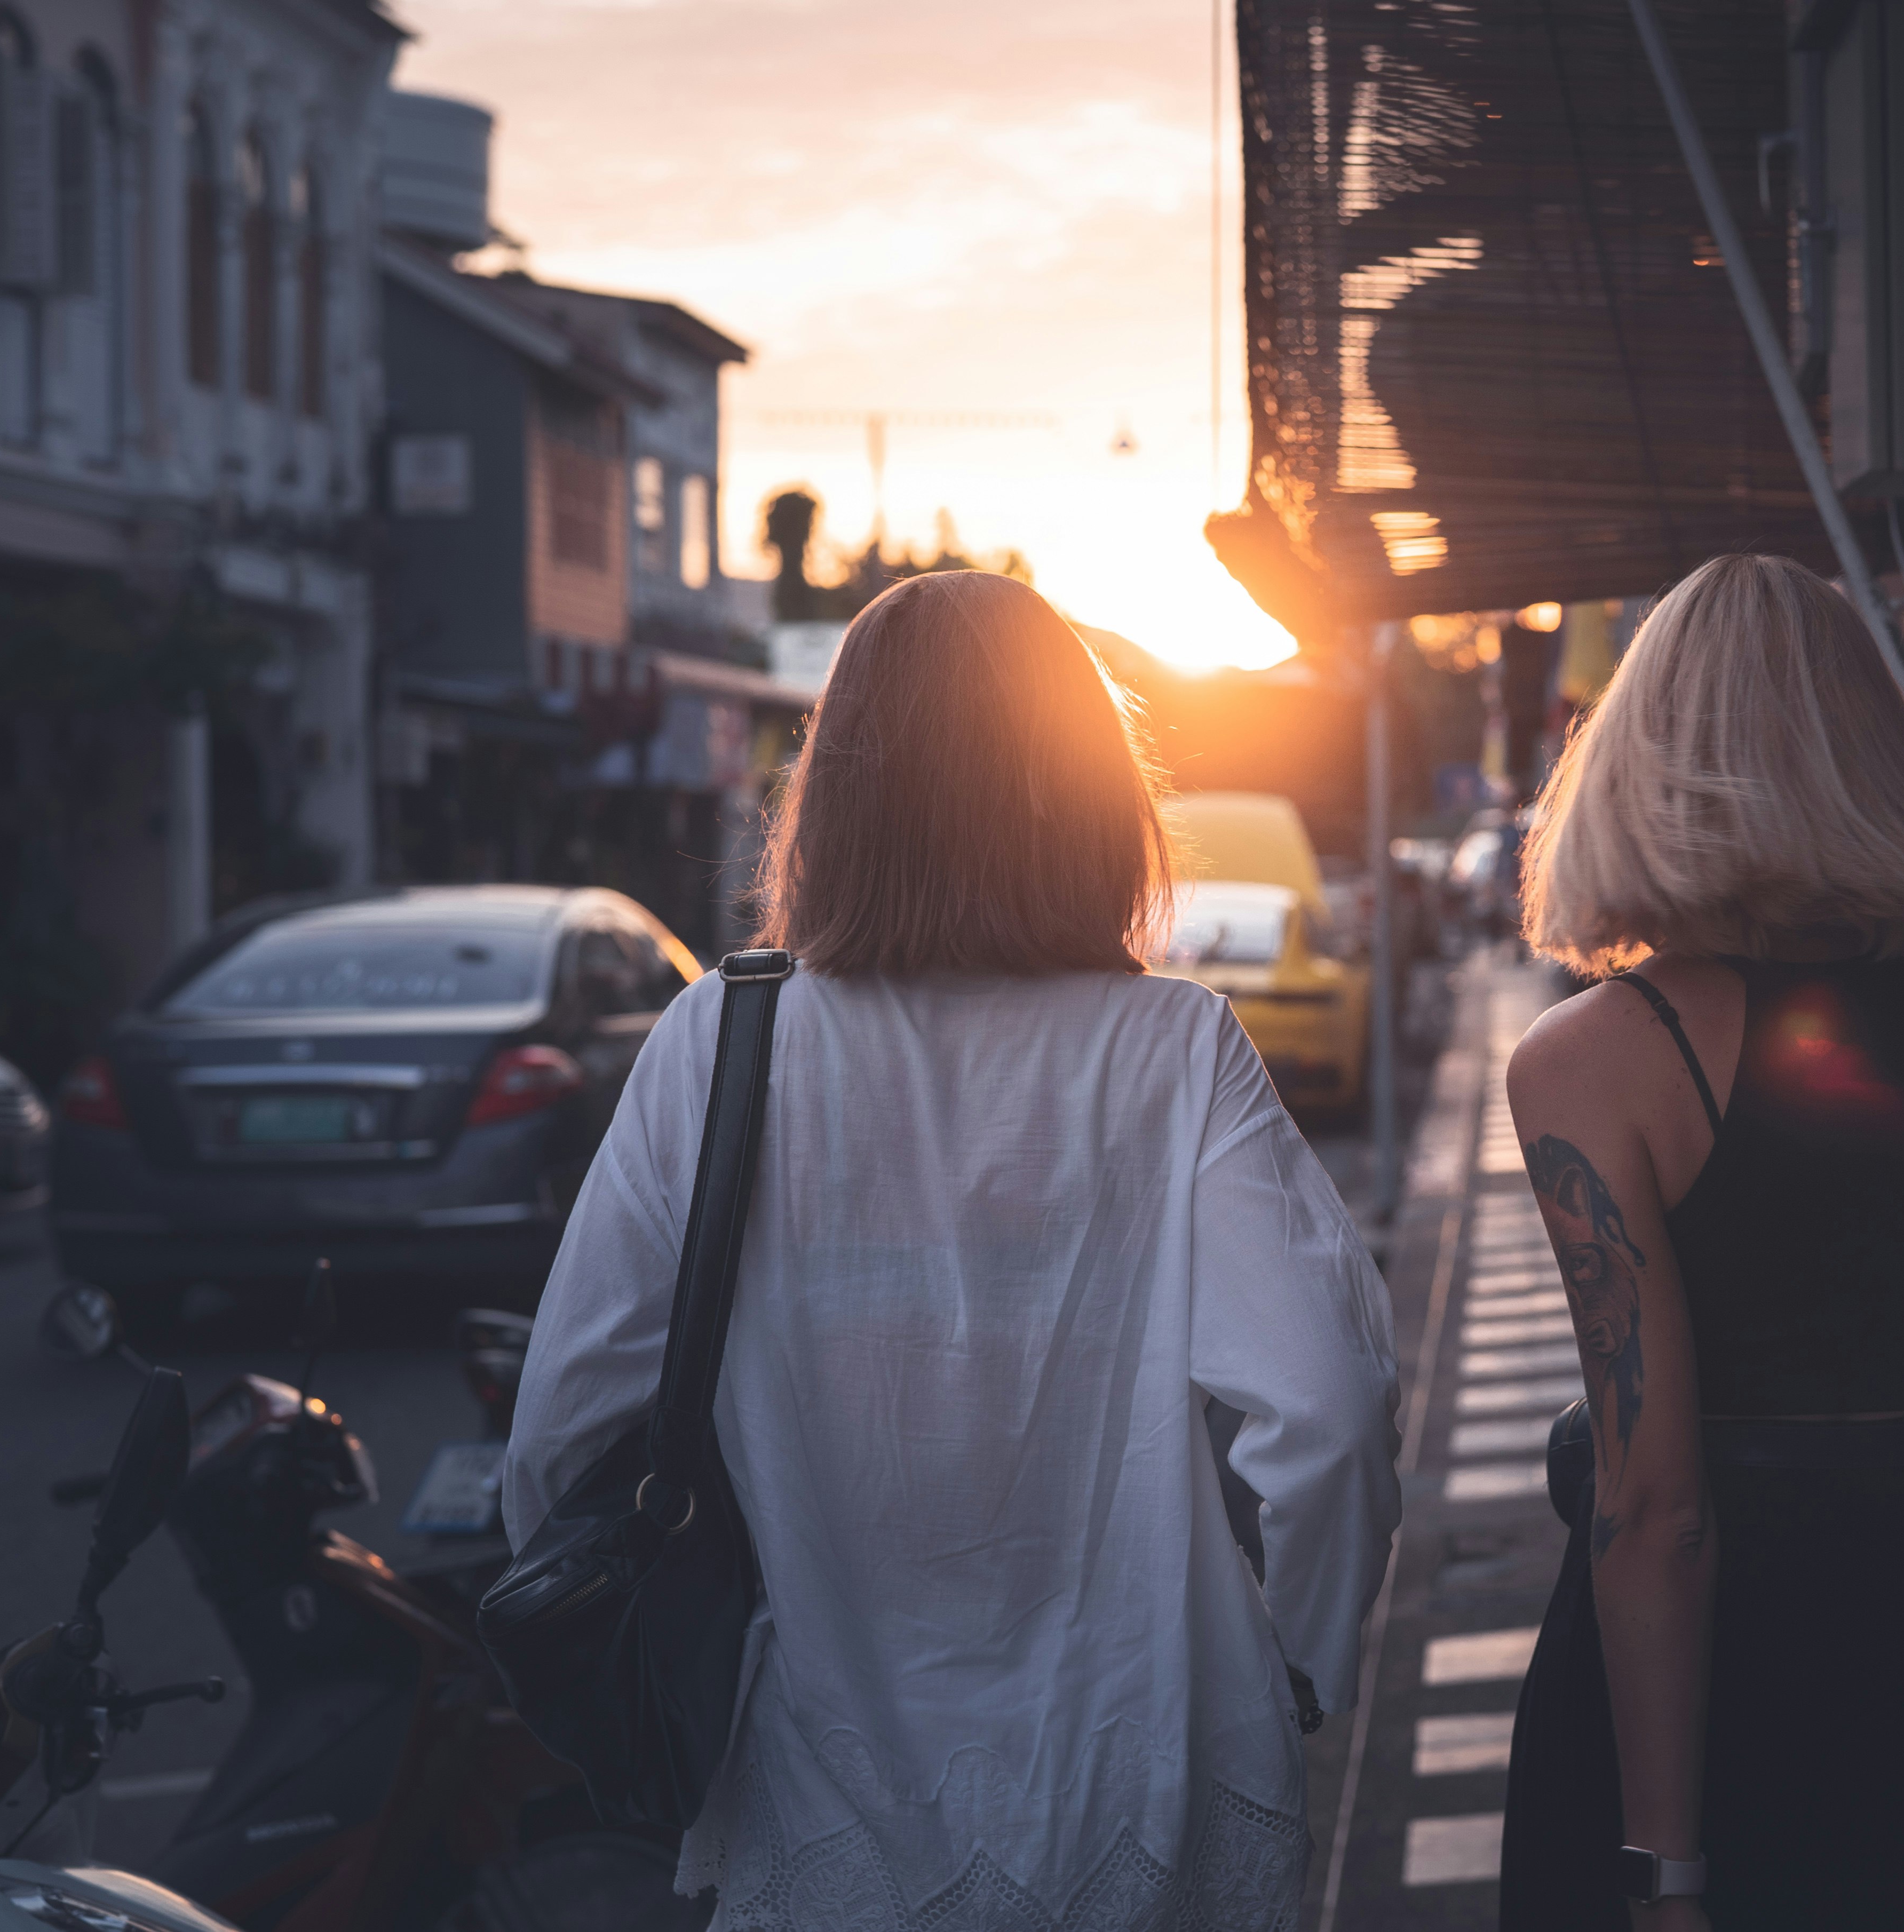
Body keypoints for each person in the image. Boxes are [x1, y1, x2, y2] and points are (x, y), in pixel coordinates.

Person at [502, 571, 1402, 1930]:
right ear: (1087, 789)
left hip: (825, 1797)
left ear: (840, 793)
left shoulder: (721, 1041)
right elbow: (1327, 1410)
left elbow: (566, 1428)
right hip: (1149, 1782)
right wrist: (1305, 1665)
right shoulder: (1174, 1051)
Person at [1495, 553, 1904, 1928]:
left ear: (1641, 758)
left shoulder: (1597, 1057)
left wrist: (1666, 1865)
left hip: (1714, 1682)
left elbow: (1659, 1508)